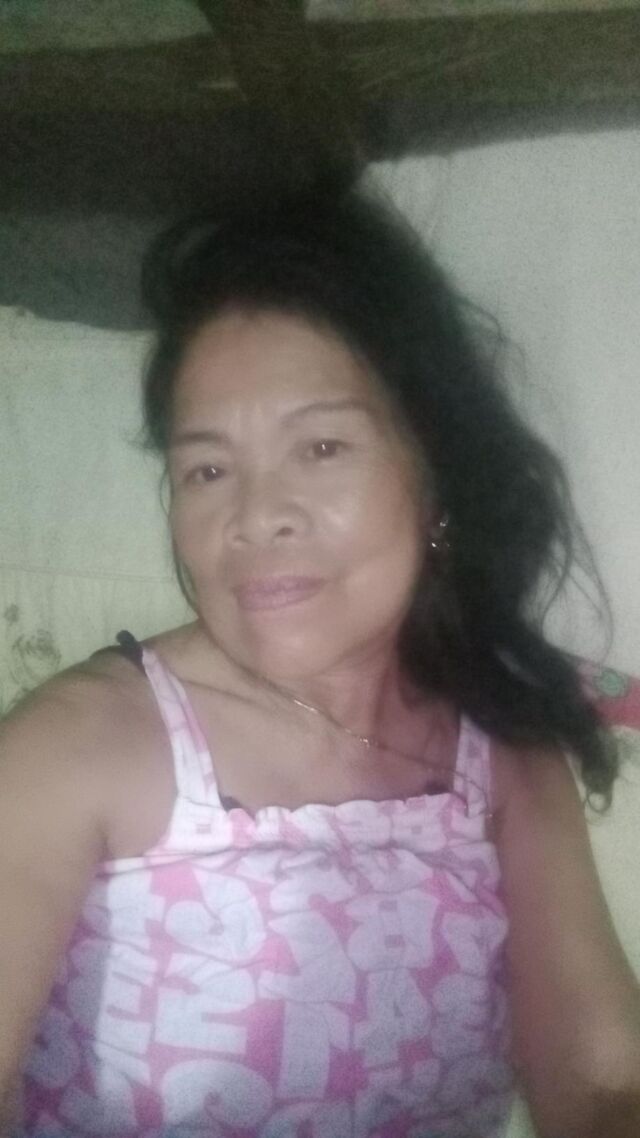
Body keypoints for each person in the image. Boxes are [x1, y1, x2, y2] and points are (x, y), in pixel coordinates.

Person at [1, 179, 639, 1138]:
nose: (257, 516)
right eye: (208, 468)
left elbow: (600, 1088)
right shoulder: (72, 747)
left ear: (435, 481)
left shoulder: (504, 757)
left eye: (323, 447)